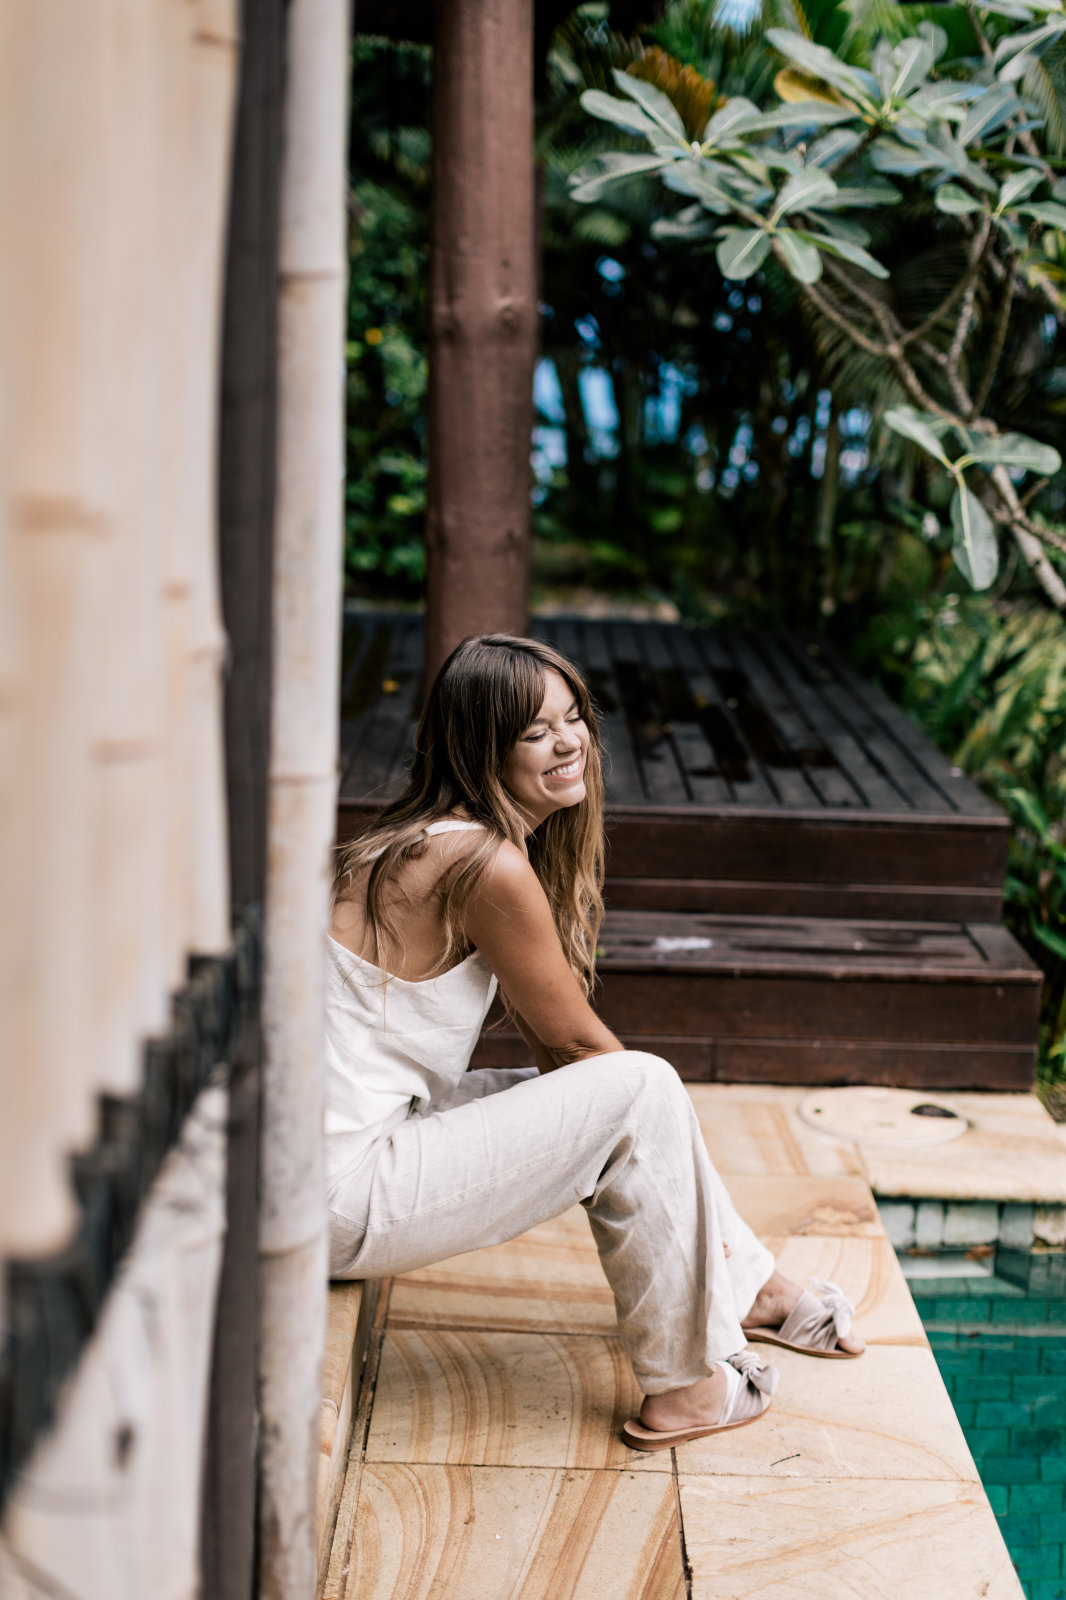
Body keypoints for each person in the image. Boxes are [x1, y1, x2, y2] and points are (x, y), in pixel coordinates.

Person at [326, 633, 863, 1451]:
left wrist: (700, 1220)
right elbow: (582, 1053)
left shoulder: (420, 838)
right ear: (481, 747)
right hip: (336, 1196)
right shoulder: (482, 864)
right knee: (641, 1087)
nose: (569, 741)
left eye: (574, 717)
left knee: (628, 1097)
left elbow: (563, 1062)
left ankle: (755, 1287)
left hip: (324, 1167)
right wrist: (662, 1154)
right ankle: (690, 1386)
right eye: (536, 731)